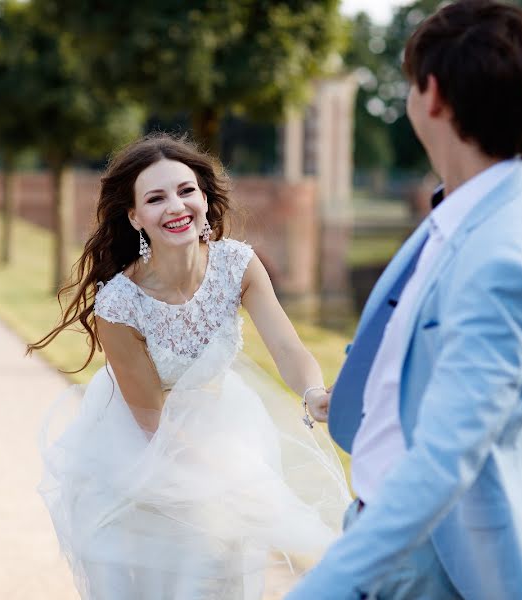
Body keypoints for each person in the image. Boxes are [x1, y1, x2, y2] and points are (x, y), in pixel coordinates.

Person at [288, 1, 522, 599]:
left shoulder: (505, 254)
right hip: (397, 540)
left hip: (429, 560)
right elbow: (420, 341)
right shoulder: (488, 197)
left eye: (407, 85)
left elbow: (441, 466)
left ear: (435, 96)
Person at [28, 134, 350, 600]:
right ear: (135, 217)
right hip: (139, 447)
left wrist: (313, 393)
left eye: (186, 190)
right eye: (155, 198)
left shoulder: (238, 265)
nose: (176, 206)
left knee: (228, 569)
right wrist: (230, 474)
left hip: (224, 421)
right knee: (173, 573)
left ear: (204, 197)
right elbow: (151, 418)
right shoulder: (119, 303)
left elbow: (286, 346)